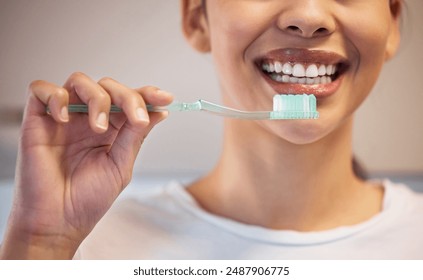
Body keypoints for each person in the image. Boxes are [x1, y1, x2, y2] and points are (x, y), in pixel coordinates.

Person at [1, 0, 422, 260]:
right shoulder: (84, 248)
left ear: (392, 21)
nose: (308, 16)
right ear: (195, 18)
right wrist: (40, 244)